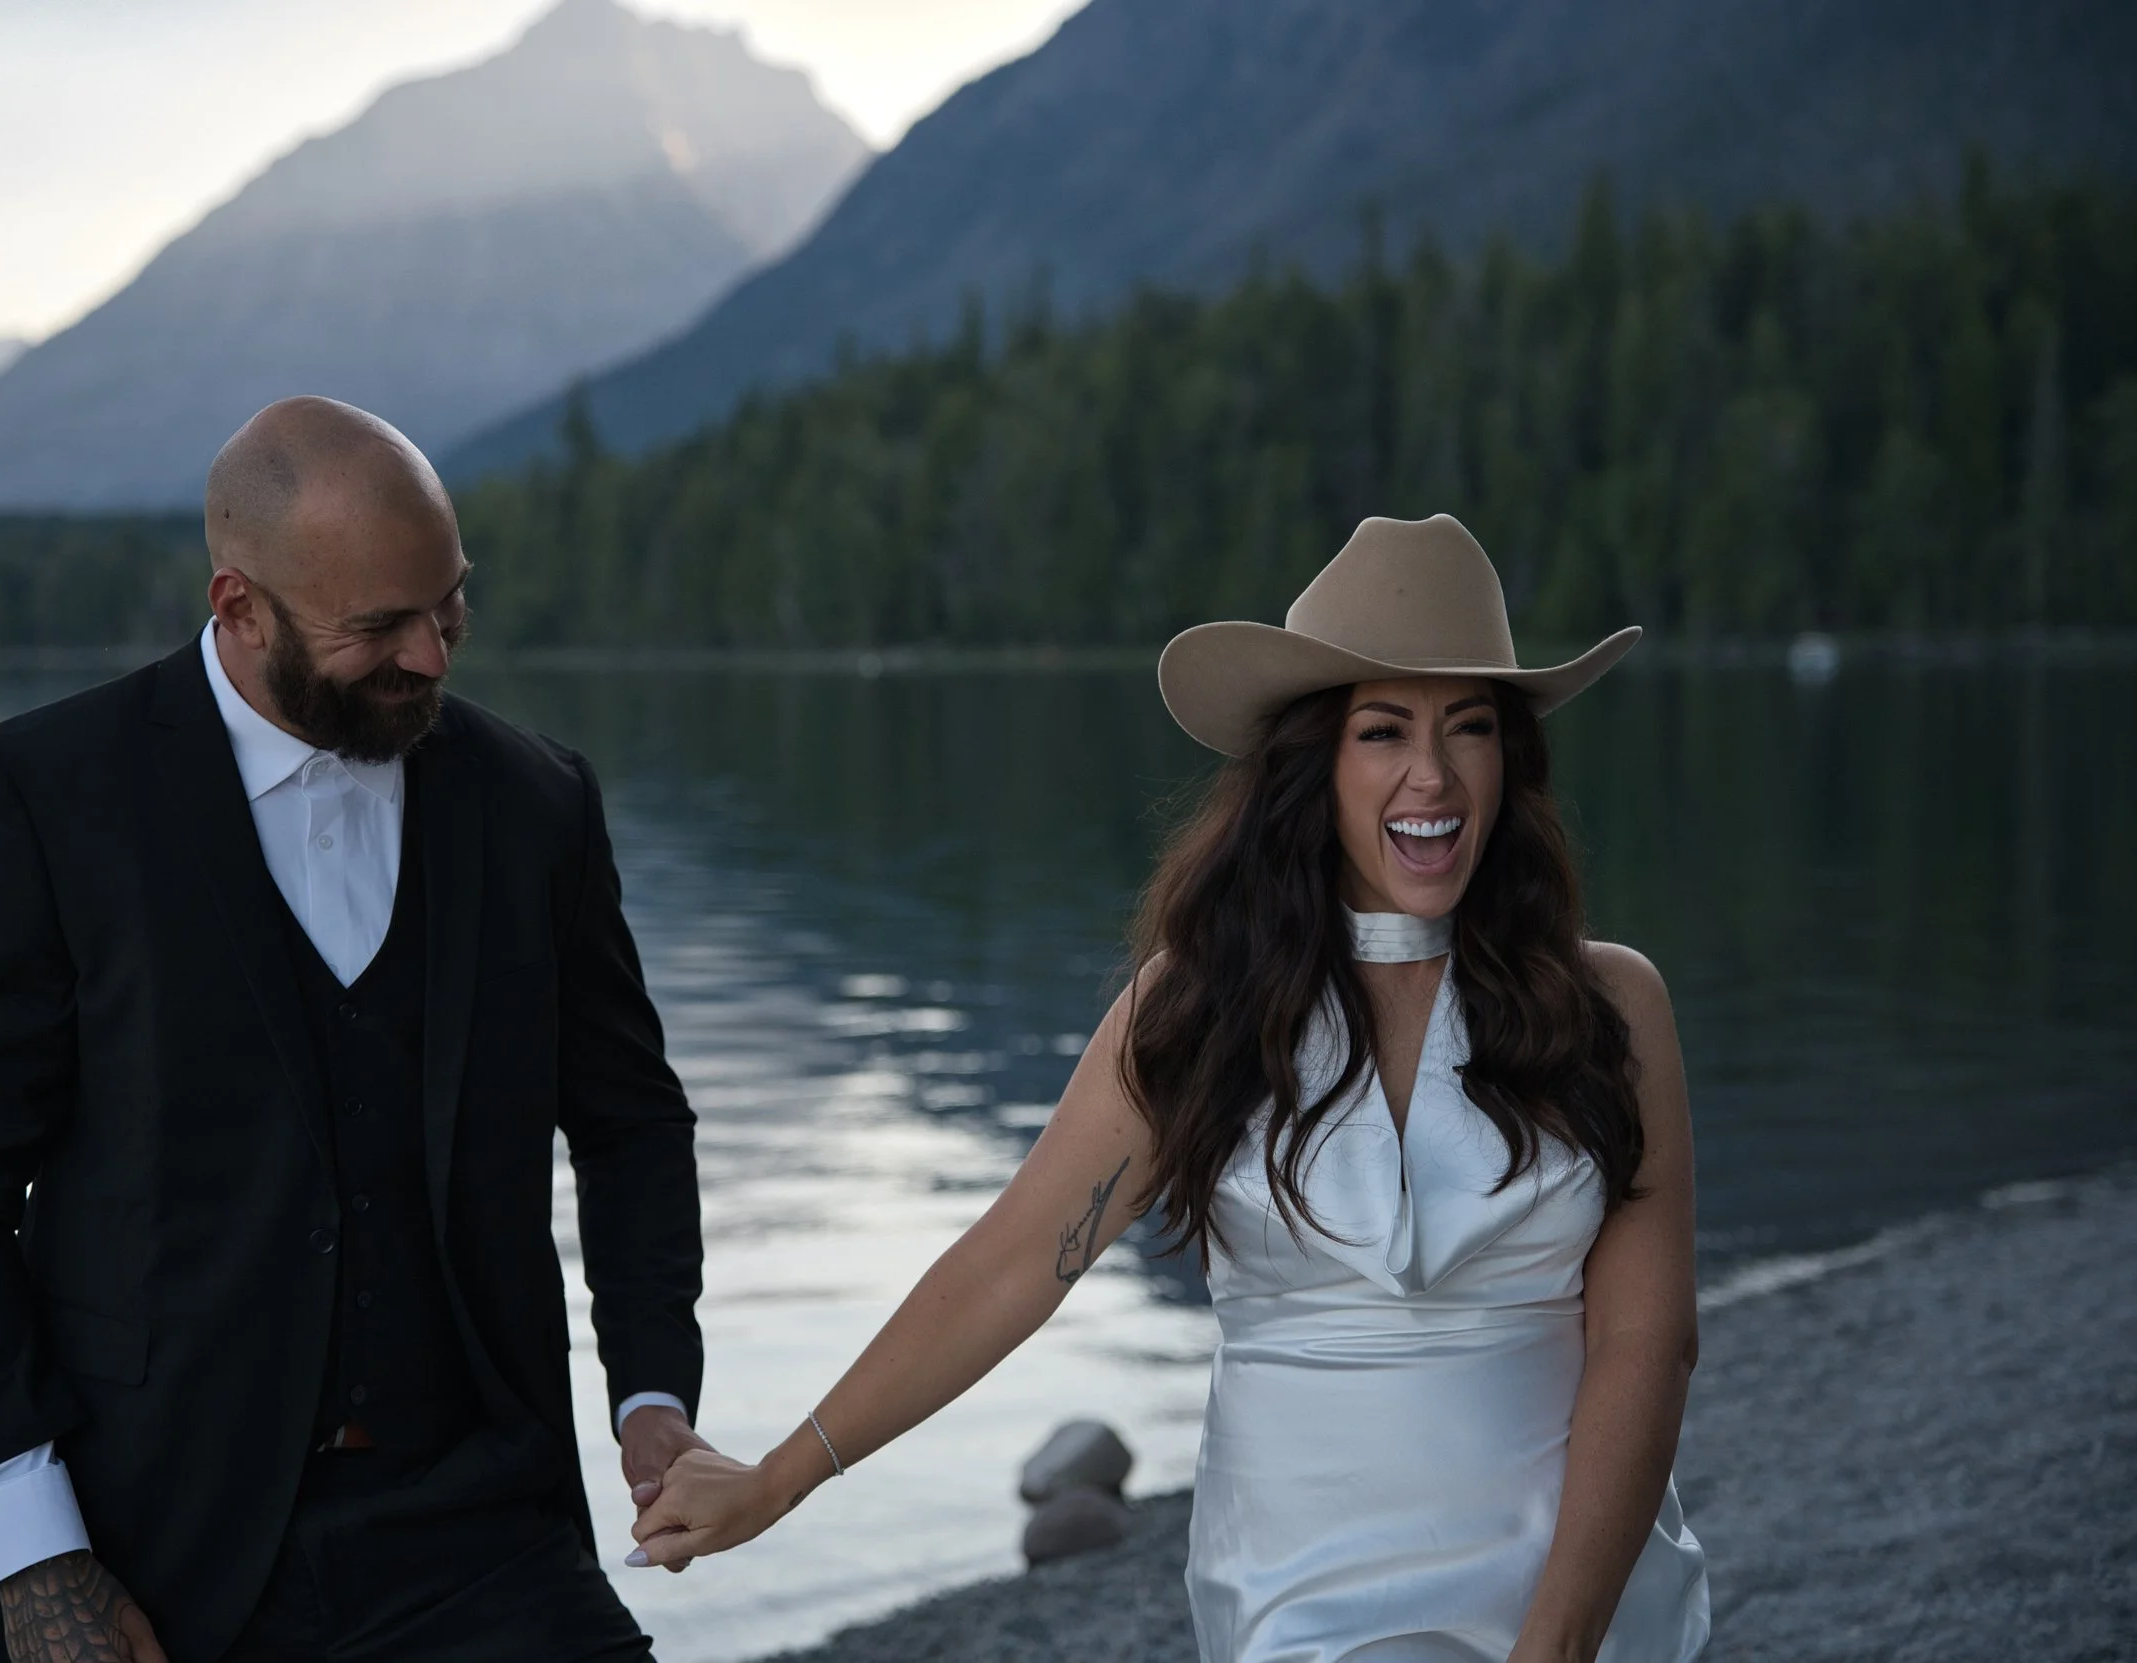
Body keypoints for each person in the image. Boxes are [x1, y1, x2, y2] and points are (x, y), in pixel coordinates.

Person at [628, 514, 1712, 1661]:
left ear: (1511, 758)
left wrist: (1557, 1642)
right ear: (1312, 767)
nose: (1430, 775)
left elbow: (1648, 1343)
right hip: (1308, 1587)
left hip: (1572, 1580)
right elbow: (1008, 1267)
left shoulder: (1605, 1007)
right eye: (1381, 730)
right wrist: (779, 1479)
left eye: (1469, 729)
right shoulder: (1198, 1011)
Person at [0, 396, 708, 1662]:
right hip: (147, 1535)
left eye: (451, 605)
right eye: (380, 627)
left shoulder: (536, 802)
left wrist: (650, 1389)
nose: (433, 656)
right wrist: (36, 1554)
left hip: (485, 1522)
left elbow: (629, 1118)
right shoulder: (46, 796)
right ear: (239, 606)